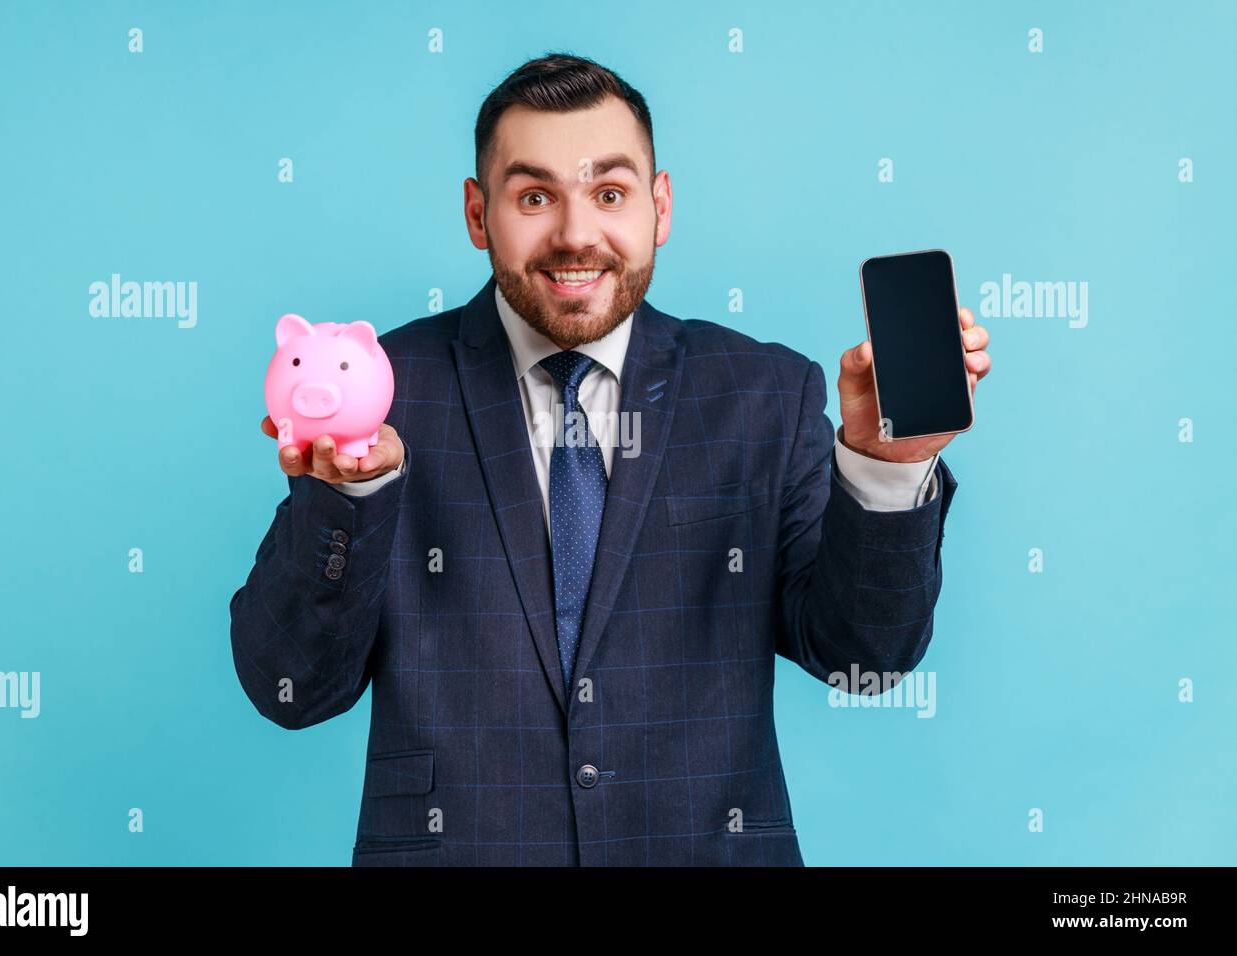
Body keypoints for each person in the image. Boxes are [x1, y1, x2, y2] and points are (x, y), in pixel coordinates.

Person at [230, 53, 991, 866]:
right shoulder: (382, 391)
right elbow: (292, 690)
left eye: (610, 194)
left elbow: (861, 657)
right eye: (533, 197)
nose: (574, 235)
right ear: (477, 214)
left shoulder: (764, 394)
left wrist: (884, 466)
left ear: (659, 207)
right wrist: (346, 499)